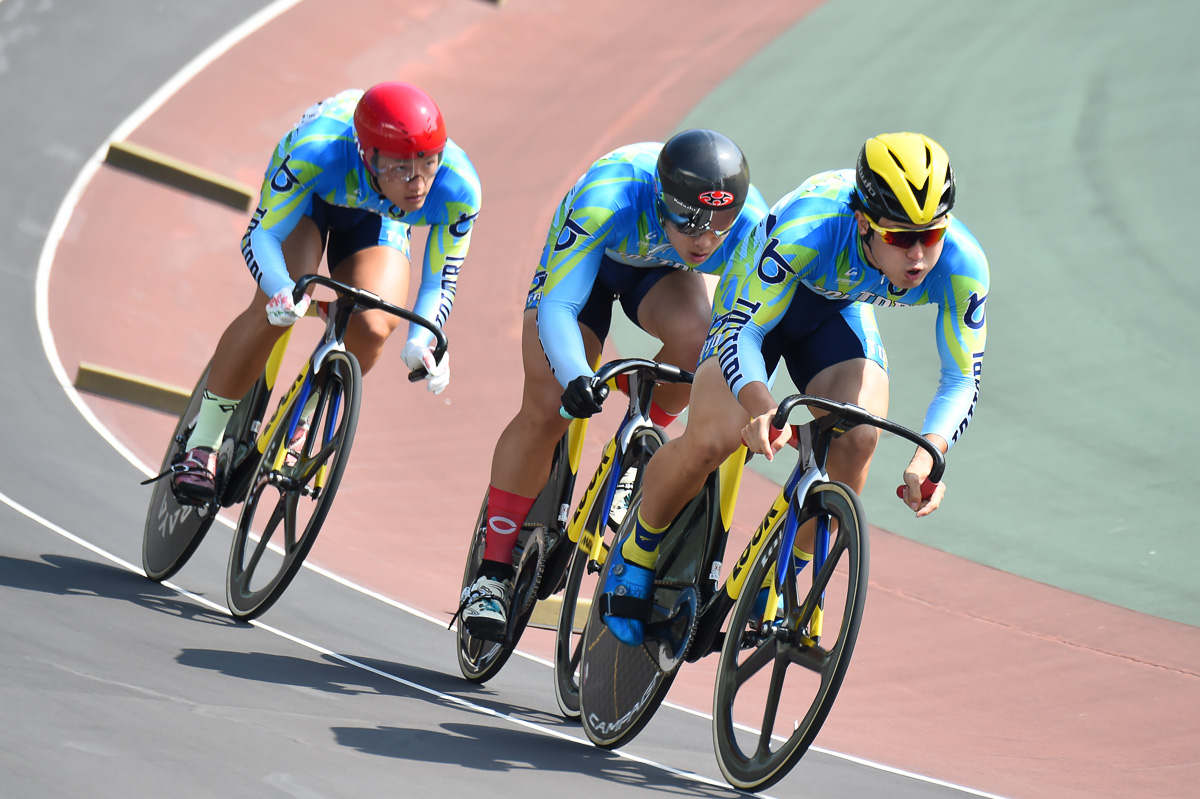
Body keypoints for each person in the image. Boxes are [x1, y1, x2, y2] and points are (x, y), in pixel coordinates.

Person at [601, 131, 990, 645]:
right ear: (862, 224)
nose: (919, 255)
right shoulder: (811, 227)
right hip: (757, 309)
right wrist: (762, 406)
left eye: (932, 235)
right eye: (899, 238)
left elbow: (962, 376)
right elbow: (745, 331)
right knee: (716, 439)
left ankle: (779, 579)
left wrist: (930, 456)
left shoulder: (963, 265)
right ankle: (638, 550)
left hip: (834, 310)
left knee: (858, 437)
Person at [458, 129, 769, 641]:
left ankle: (643, 431)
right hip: (592, 265)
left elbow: (740, 332)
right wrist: (577, 375)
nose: (706, 239)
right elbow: (558, 307)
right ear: (661, 198)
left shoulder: (749, 226)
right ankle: (491, 574)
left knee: (698, 345)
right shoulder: (610, 197)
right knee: (548, 406)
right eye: (691, 221)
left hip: (661, 270)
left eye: (720, 223)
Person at [170, 82, 482, 505]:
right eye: (400, 167)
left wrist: (421, 343)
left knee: (374, 323)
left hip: (377, 220)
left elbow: (440, 281)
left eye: (428, 162)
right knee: (276, 306)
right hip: (313, 197)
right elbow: (262, 235)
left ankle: (304, 419)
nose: (418, 181)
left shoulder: (458, 186)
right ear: (368, 158)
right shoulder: (317, 150)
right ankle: (201, 444)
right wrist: (281, 290)